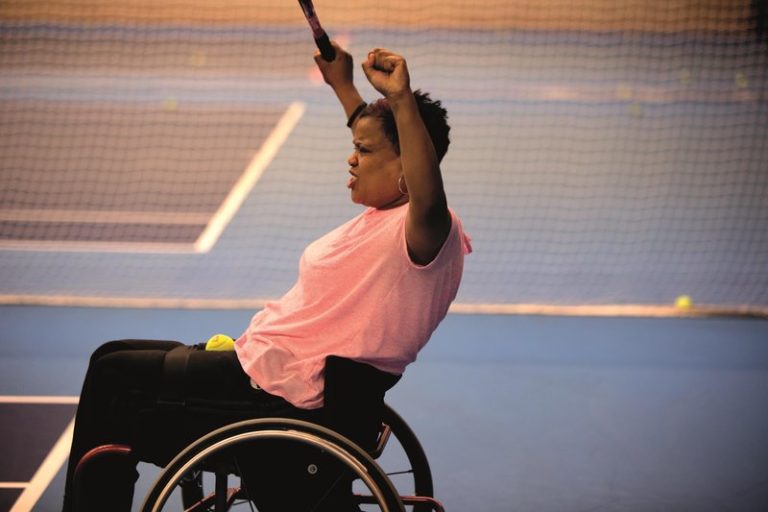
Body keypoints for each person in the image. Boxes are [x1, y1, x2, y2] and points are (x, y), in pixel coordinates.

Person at [62, 41, 471, 511]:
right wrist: (344, 86)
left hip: (277, 397)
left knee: (114, 377)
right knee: (112, 354)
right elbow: (382, 138)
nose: (351, 159)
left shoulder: (426, 229)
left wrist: (401, 99)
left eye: (363, 151)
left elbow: (424, 184)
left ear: (407, 168)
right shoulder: (388, 213)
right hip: (267, 373)